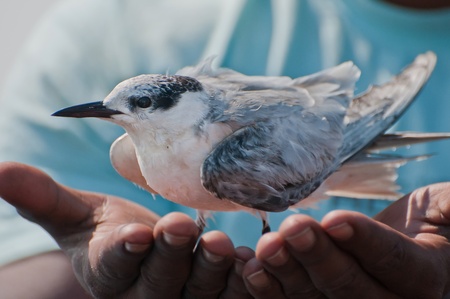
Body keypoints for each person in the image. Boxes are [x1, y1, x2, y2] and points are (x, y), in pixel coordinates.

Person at [0, 0, 450, 297]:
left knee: (252, 209)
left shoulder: (223, 153)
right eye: (117, 107)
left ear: (183, 105)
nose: (119, 113)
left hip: (328, 132)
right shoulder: (129, 138)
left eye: (140, 105)